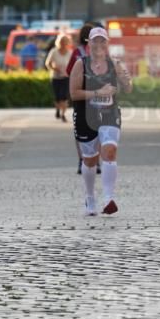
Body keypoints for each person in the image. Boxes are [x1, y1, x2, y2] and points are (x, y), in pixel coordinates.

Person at [69, 26, 132, 216]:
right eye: (94, 40)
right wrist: (98, 93)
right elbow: (74, 93)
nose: (98, 44)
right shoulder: (81, 64)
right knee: (89, 160)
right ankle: (90, 197)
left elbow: (128, 88)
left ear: (107, 43)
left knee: (110, 151)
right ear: (89, 43)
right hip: (85, 116)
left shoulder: (114, 63)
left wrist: (124, 76)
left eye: (102, 40)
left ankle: (108, 198)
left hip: (109, 114)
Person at [66, 23, 94, 174]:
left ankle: (82, 159)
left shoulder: (77, 52)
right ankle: (95, 161)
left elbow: (68, 70)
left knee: (80, 128)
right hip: (96, 94)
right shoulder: (100, 51)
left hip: (79, 94)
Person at [45, 34, 71, 121]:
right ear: (59, 42)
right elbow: (47, 63)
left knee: (64, 96)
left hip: (66, 77)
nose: (63, 44)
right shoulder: (54, 51)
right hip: (55, 77)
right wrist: (54, 68)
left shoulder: (70, 53)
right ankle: (57, 109)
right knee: (57, 97)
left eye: (65, 42)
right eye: (62, 42)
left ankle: (63, 114)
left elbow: (73, 65)